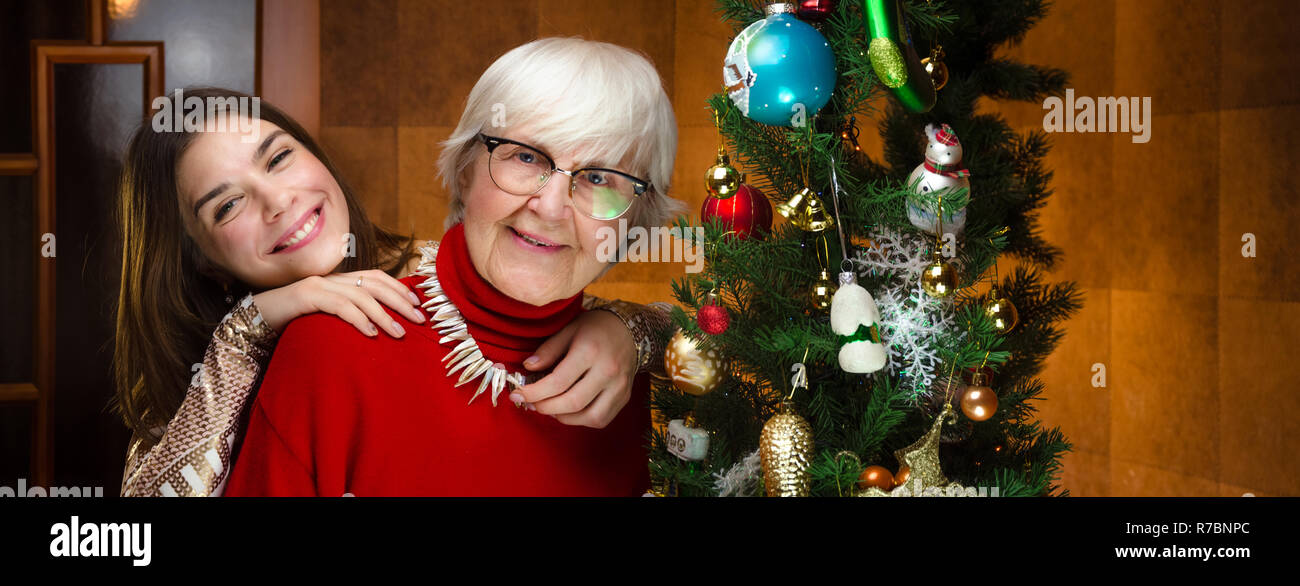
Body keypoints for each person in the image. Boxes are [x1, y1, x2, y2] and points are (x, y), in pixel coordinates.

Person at [114, 87, 669, 497]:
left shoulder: (432, 272)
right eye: (227, 205)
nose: (277, 201)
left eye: (279, 158)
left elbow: (688, 330)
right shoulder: (190, 376)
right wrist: (247, 330)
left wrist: (630, 329)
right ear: (204, 261)